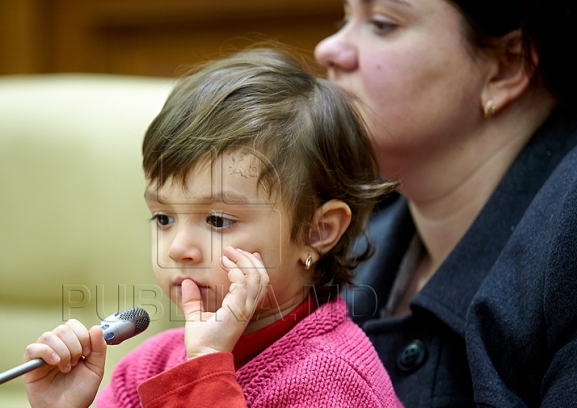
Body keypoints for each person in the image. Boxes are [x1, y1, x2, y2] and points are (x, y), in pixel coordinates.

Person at [110, 0, 577, 406]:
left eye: (383, 23)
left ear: (506, 65)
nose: (327, 49)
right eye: (163, 217)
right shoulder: (156, 359)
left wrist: (203, 379)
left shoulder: (333, 372)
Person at [22, 48, 402, 407]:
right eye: (164, 218)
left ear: (318, 231)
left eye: (218, 220)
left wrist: (204, 369)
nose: (177, 248)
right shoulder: (150, 364)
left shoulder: (335, 378)